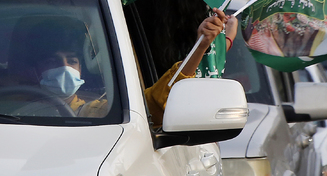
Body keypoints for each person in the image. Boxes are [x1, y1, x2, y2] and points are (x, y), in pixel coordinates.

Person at [30, 9, 237, 127]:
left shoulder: (98, 112)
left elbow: (155, 104)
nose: (64, 69)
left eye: (72, 61)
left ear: (81, 69)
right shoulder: (9, 107)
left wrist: (201, 46)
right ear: (35, 70)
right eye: (53, 62)